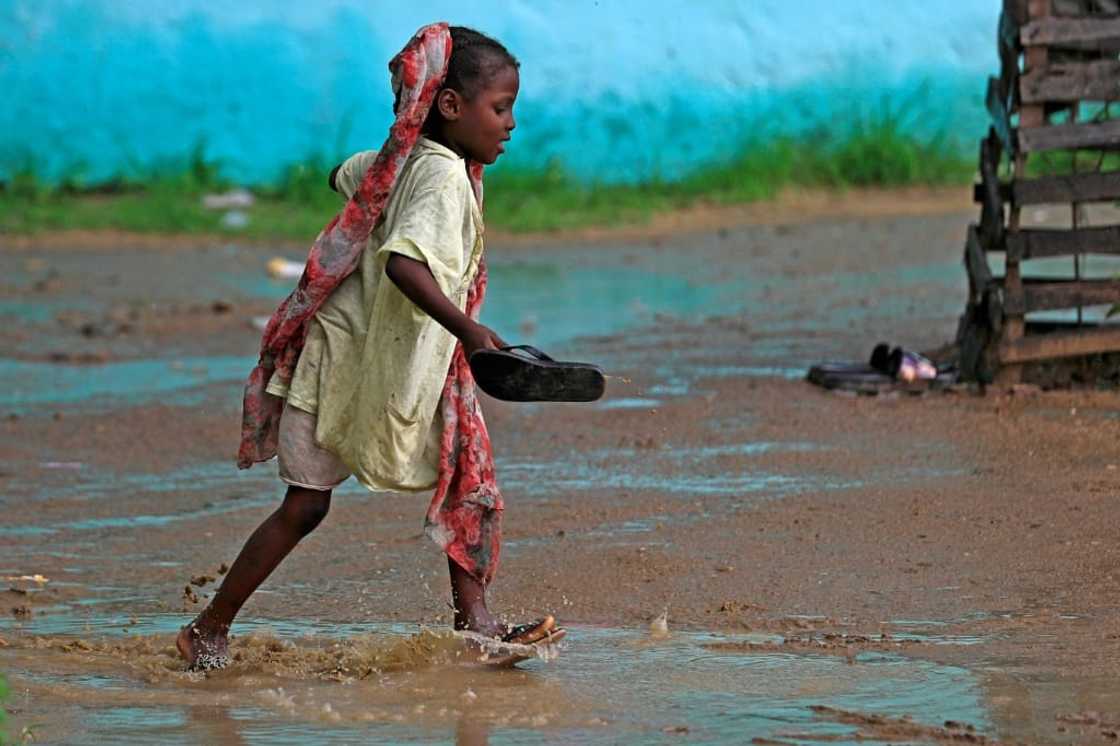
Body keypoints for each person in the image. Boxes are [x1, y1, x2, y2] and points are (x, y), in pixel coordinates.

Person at [177, 23, 562, 671]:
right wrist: (471, 333)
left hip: (370, 358)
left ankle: (478, 626)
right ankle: (207, 628)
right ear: (449, 106)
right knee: (314, 504)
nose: (512, 123)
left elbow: (345, 174)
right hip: (358, 364)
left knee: (460, 476)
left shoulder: (406, 155)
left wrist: (382, 157)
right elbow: (403, 266)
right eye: (501, 107)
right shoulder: (439, 178)